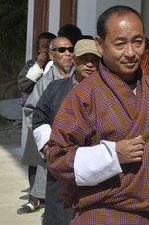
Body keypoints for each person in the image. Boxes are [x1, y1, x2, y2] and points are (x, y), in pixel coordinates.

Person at [46, 5, 149, 224]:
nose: (131, 53)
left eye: (138, 42)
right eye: (120, 44)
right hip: (104, 214)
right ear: (100, 45)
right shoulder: (84, 95)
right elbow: (57, 158)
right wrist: (112, 155)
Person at [32, 39, 101, 224]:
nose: (89, 64)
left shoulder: (107, 93)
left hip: (95, 173)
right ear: (75, 60)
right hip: (60, 174)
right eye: (84, 58)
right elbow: (39, 116)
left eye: (94, 59)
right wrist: (48, 146)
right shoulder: (56, 88)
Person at [18, 36, 75, 214]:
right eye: (62, 50)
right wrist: (45, 139)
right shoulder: (45, 82)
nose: (68, 54)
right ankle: (36, 200)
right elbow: (31, 110)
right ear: (51, 55)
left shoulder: (80, 76)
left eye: (70, 49)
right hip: (53, 145)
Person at [16, 31, 56, 214]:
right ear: (37, 49)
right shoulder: (32, 65)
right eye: (43, 46)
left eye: (50, 46)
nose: (47, 50)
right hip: (37, 118)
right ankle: (34, 198)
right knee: (34, 158)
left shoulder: (59, 64)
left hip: (55, 117)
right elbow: (23, 85)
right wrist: (39, 65)